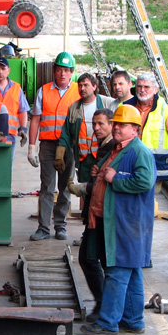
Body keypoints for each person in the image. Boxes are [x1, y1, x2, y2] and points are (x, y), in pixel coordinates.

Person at [78, 104, 155, 335]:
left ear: (135, 129)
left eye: (123, 125)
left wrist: (115, 177)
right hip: (119, 221)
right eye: (117, 124)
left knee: (117, 272)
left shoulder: (139, 151)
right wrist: (99, 172)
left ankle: (108, 322)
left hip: (127, 224)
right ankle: (133, 320)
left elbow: (144, 182)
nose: (118, 128)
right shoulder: (119, 149)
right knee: (131, 272)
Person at [67, 108, 115, 321]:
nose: (96, 128)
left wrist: (83, 188)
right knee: (94, 259)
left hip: (102, 214)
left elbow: (103, 183)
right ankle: (104, 305)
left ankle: (105, 306)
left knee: (91, 259)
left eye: (101, 124)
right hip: (96, 212)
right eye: (94, 124)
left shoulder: (112, 149)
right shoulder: (104, 148)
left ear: (112, 125)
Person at [27, 51, 80, 241]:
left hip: (69, 146)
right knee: (47, 186)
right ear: (54, 71)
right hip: (48, 145)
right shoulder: (44, 91)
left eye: (66, 70)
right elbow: (35, 120)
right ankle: (43, 228)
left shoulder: (78, 92)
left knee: (65, 186)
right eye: (59, 70)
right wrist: (31, 146)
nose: (63, 74)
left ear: (72, 72)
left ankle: (60, 226)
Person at [57, 73, 120, 184]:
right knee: (84, 190)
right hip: (83, 159)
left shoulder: (108, 103)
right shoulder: (74, 108)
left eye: (86, 85)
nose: (82, 88)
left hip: (104, 156)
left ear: (95, 86)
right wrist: (59, 153)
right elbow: (66, 132)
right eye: (80, 86)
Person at [124, 73, 168, 186]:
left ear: (155, 90)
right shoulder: (125, 106)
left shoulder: (164, 106)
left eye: (146, 87)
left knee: (150, 197)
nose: (142, 90)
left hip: (155, 163)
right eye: (139, 86)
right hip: (130, 160)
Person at [0, 57, 30, 157]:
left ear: (8, 70)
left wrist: (23, 128)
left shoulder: (16, 88)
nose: (0, 71)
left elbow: (23, 110)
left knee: (6, 168)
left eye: (3, 68)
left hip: (10, 135)